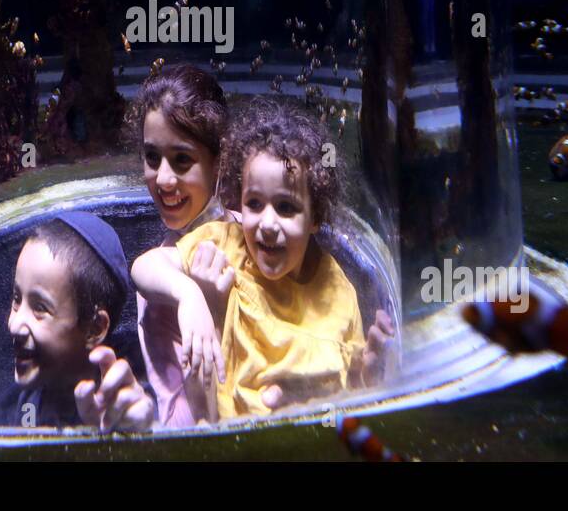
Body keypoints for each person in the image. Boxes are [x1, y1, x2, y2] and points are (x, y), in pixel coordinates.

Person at [132, 96, 396, 419]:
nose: (267, 224)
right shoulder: (228, 244)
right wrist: (189, 295)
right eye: (254, 204)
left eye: (285, 207)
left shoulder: (337, 289)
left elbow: (352, 389)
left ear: (315, 217)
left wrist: (367, 377)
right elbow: (145, 266)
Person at [124, 64, 234, 427]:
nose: (164, 179)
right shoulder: (165, 272)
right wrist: (193, 296)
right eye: (152, 157)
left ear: (219, 161)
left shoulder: (256, 232)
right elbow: (182, 421)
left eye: (182, 159)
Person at [6, 211, 155, 431]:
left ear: (94, 329)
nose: (14, 324)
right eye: (17, 299)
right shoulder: (22, 402)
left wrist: (140, 433)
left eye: (40, 308)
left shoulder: (136, 388)